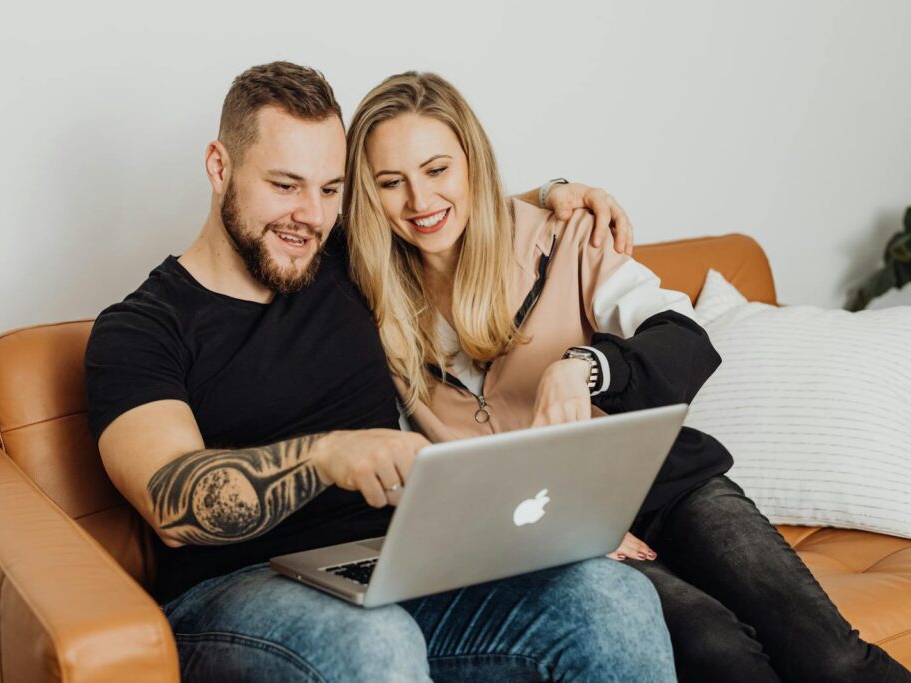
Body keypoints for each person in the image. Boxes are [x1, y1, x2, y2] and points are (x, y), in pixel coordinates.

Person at [85, 61, 676, 682]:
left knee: (613, 600)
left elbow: (440, 206)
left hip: (400, 566)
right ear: (219, 166)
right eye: (285, 185)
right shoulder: (142, 328)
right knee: (374, 639)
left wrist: (558, 192)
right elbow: (174, 503)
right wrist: (325, 456)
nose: (309, 216)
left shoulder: (341, 260)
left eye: (330, 189)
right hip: (237, 592)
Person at [342, 70, 911, 683]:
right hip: (546, 529)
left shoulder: (565, 236)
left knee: (830, 658)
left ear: (472, 163)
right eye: (391, 182)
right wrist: (565, 526)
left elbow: (686, 341)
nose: (420, 202)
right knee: (717, 652)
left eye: (436, 170)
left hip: (667, 485)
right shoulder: (363, 302)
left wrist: (585, 366)